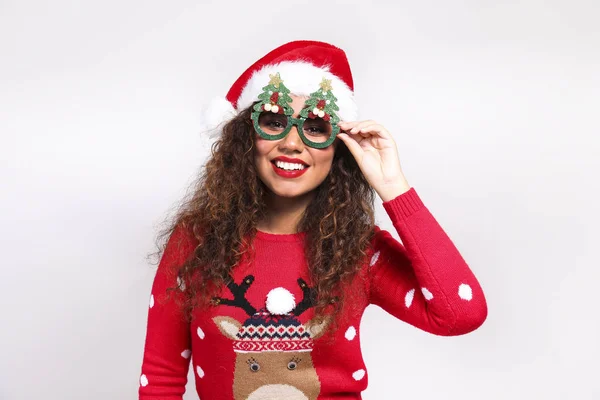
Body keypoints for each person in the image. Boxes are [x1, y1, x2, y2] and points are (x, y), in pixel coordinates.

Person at [138, 40, 488, 400]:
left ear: (338, 146)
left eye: (316, 128)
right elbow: (161, 378)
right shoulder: (196, 239)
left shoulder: (359, 250)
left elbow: (461, 313)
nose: (292, 143)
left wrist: (394, 189)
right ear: (246, 138)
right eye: (273, 122)